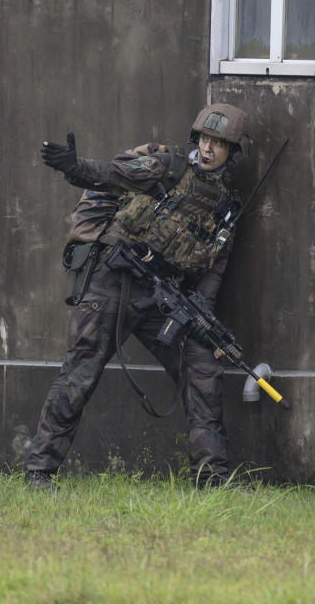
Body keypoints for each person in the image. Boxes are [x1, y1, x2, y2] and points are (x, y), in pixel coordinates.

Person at [24, 103, 253, 490]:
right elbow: (114, 175)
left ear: (233, 151)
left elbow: (214, 270)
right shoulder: (168, 167)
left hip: (164, 298)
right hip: (115, 279)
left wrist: (205, 324)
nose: (210, 148)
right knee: (81, 371)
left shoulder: (226, 207)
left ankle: (212, 477)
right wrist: (73, 166)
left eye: (220, 143)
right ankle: (39, 471)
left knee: (203, 368)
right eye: (205, 139)